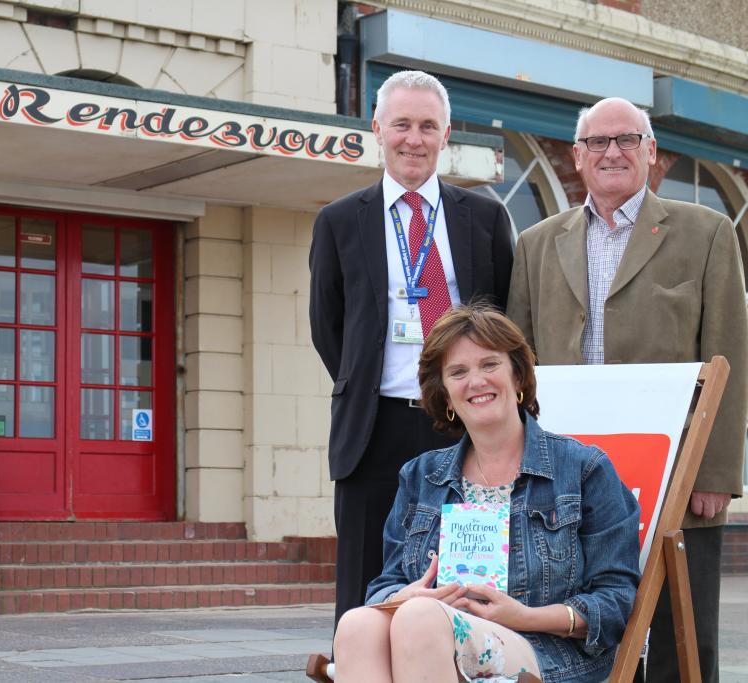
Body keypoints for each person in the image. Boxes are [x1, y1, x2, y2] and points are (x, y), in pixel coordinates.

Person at [507, 97, 748, 683]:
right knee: (583, 630)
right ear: (577, 157)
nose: (611, 151)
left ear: (651, 153)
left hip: (675, 473)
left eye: (627, 140)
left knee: (680, 639)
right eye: (597, 142)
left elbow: (730, 357)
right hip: (569, 475)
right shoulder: (536, 244)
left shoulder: (706, 233)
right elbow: (519, 366)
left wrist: (715, 475)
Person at [333, 306, 641, 683]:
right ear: (445, 397)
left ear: (518, 377)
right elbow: (385, 586)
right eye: (458, 372)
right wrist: (408, 595)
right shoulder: (420, 476)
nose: (475, 381)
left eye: (489, 364)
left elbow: (615, 602)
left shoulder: (583, 469)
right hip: (432, 633)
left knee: (418, 621)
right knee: (356, 625)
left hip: (549, 650)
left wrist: (522, 616)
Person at [309, 69, 514, 631]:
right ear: (377, 128)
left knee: (465, 582)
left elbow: (503, 322)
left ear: (447, 134)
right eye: (401, 124)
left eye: (428, 126)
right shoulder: (338, 221)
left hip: (463, 428)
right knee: (363, 591)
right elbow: (328, 328)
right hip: (372, 430)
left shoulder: (486, 218)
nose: (414, 139)